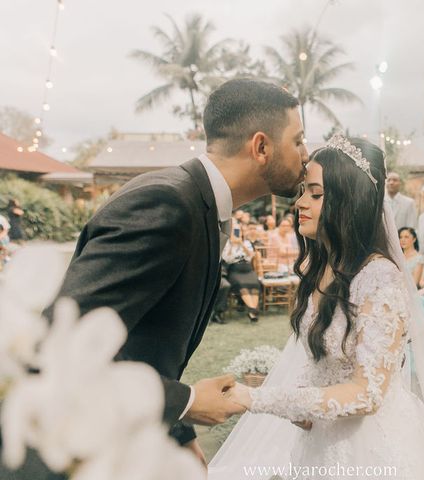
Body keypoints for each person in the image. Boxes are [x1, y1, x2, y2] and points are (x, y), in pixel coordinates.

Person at [45, 79, 309, 461]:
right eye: (298, 140)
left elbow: (140, 342)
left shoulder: (201, 206)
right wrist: (185, 402)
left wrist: (178, 430)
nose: (305, 153)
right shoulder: (166, 204)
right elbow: (64, 341)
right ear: (261, 147)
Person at [209, 135, 424, 479]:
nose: (300, 202)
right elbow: (323, 360)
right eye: (304, 190)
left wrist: (256, 398)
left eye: (315, 194)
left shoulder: (379, 278)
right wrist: (302, 398)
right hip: (321, 436)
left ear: (349, 202)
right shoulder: (320, 268)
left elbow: (367, 395)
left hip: (370, 448)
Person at [221, 231, 261, 322]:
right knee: (243, 287)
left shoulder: (246, 242)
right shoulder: (227, 243)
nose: (236, 234)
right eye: (234, 232)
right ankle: (253, 310)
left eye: (238, 232)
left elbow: (251, 256)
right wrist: (232, 245)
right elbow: (227, 259)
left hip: (248, 269)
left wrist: (241, 244)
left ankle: (252, 312)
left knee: (255, 285)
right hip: (235, 269)